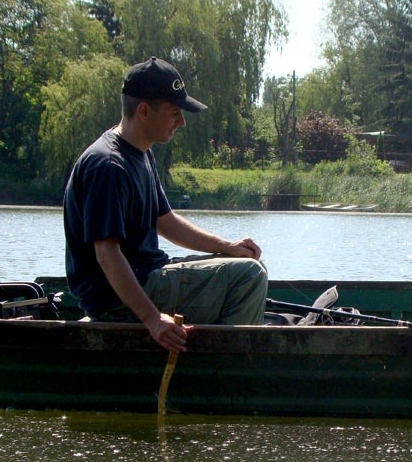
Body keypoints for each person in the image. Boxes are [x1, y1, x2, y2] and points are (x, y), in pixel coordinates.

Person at [63, 56, 268, 353]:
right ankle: (229, 376)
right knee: (249, 277)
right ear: (144, 111)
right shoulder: (107, 166)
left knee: (247, 263)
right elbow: (107, 253)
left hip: (147, 278)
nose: (181, 122)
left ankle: (206, 360)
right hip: (117, 300)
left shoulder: (141, 152)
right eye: (174, 113)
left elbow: (165, 220)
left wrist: (227, 246)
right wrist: (153, 319)